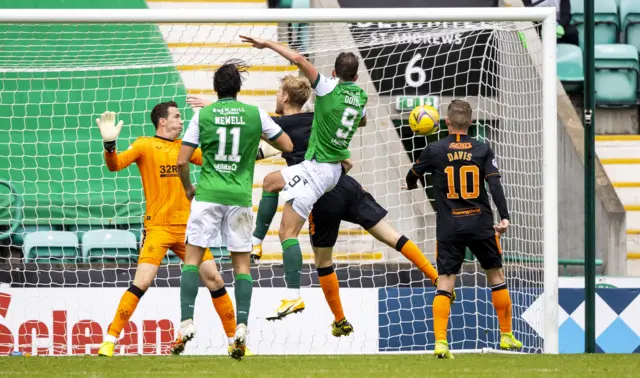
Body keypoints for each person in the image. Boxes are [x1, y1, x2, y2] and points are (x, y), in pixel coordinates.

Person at [239, 35, 368, 320]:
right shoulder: (360, 97)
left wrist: (267, 44)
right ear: (356, 76)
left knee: (283, 220)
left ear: (334, 74)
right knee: (274, 191)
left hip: (317, 172)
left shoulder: (326, 89)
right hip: (328, 170)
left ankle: (262, 250)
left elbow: (297, 59)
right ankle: (285, 284)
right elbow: (362, 120)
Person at [172, 61, 293, 360]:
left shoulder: (204, 114)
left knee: (192, 260)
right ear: (239, 88)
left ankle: (186, 321)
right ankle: (240, 328)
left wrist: (189, 188)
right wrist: (255, 148)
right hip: (239, 198)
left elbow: (182, 161)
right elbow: (288, 145)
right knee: (242, 267)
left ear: (216, 89)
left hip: (208, 195)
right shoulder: (255, 114)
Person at [95, 103, 236, 357]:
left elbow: (214, 160)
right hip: (158, 228)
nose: (181, 121)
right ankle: (109, 340)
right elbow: (115, 165)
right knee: (143, 281)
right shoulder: (144, 145)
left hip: (188, 230)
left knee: (214, 279)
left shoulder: (185, 147)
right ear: (162, 122)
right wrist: (109, 145)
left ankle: (235, 342)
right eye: (177, 117)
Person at [403, 100, 522, 359]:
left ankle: (441, 343)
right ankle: (505, 335)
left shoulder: (434, 149)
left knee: (445, 282)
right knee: (496, 276)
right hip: (480, 223)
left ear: (446, 122)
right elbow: (495, 185)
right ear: (470, 123)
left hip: (450, 226)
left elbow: (411, 176)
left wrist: (412, 184)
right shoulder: (482, 149)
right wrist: (504, 216)